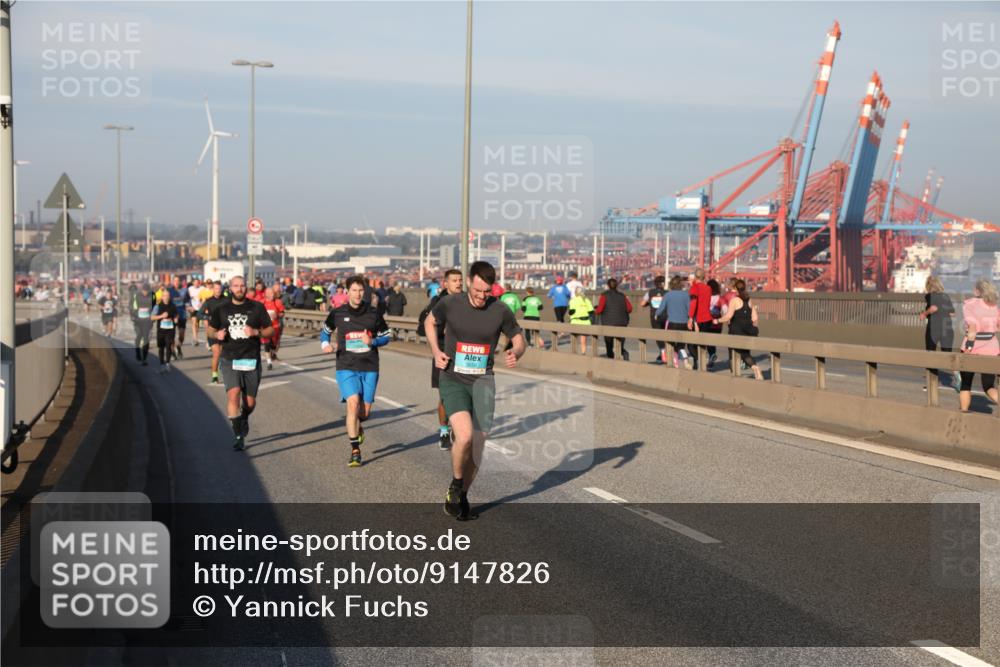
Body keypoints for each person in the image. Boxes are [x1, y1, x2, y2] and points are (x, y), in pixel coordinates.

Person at [426, 261, 525, 521]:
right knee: (465, 436)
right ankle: (457, 484)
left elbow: (518, 338)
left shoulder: (500, 310)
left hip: (483, 382)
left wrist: (515, 351)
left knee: (479, 444)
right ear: (469, 281)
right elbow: (430, 321)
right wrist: (436, 351)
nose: (482, 297)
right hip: (454, 379)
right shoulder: (451, 303)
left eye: (487, 292)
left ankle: (462, 494)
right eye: (478, 290)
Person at [320, 275, 391, 467]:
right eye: (354, 290)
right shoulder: (338, 313)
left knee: (364, 413)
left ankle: (358, 430)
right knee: (353, 403)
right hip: (346, 365)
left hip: (369, 365)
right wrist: (325, 344)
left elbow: (387, 335)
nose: (358, 294)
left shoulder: (373, 313)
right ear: (347, 291)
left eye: (361, 290)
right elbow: (325, 331)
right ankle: (355, 451)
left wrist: (373, 341)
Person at [208, 276, 274, 451]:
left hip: (251, 358)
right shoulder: (221, 309)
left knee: (250, 403)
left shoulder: (257, 307)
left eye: (242, 285)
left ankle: (243, 417)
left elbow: (270, 330)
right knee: (233, 394)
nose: (239, 288)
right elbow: (210, 329)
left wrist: (256, 332)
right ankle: (238, 436)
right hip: (229, 358)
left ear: (246, 288)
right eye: (236, 286)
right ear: (230, 288)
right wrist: (217, 336)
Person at [420, 269, 464, 450]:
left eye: (460, 280)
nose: (459, 283)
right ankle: (444, 430)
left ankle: (460, 426)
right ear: (445, 283)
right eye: (454, 280)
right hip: (443, 354)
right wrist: (441, 330)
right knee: (445, 396)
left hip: (464, 355)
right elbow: (422, 328)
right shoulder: (437, 303)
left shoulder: (468, 302)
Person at [958, 279, 1000, 413]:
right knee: (988, 385)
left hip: (973, 348)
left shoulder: (969, 305)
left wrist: (969, 348)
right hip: (992, 349)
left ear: (977, 291)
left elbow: (972, 328)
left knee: (966, 384)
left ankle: (964, 414)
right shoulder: (993, 305)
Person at [713, 279, 762, 381]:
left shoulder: (734, 300)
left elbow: (728, 316)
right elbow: (755, 317)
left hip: (736, 331)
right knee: (745, 353)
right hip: (747, 331)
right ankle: (754, 368)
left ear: (735, 288)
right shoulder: (749, 300)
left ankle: (735, 375)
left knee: (732, 353)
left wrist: (717, 321)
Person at [920, 275, 960, 390]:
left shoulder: (929, 296)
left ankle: (931, 384)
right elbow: (953, 314)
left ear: (928, 286)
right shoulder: (946, 296)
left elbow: (933, 308)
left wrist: (924, 314)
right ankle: (956, 373)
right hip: (947, 329)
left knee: (930, 354)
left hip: (934, 328)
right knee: (947, 355)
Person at [656, 275, 692, 368]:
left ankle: (675, 363)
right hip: (684, 323)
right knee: (681, 345)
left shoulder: (668, 295)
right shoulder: (686, 295)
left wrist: (656, 314)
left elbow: (661, 309)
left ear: (671, 284)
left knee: (670, 344)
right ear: (681, 285)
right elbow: (689, 310)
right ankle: (686, 361)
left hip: (672, 323)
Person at [595, 278, 632, 360]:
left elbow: (599, 310)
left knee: (609, 343)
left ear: (608, 286)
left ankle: (611, 357)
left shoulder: (604, 296)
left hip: (608, 323)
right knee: (620, 342)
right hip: (622, 322)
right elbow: (629, 309)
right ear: (617, 285)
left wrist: (596, 311)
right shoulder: (623, 296)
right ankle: (624, 353)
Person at [687, 268, 715, 369]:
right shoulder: (708, 288)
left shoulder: (694, 288)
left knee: (691, 343)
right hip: (707, 318)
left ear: (695, 276)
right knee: (703, 342)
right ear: (704, 277)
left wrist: (690, 318)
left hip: (697, 319)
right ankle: (700, 363)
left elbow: (694, 303)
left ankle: (697, 361)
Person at [199, 283, 227, 384]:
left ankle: (220, 365)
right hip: (213, 329)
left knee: (223, 353)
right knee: (216, 353)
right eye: (216, 289)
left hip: (224, 329)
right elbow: (199, 314)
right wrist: (209, 317)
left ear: (222, 289)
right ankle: (215, 376)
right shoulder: (209, 301)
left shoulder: (227, 300)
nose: (218, 290)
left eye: (220, 288)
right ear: (213, 290)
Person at [641, 276, 668, 363]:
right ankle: (664, 353)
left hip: (654, 317)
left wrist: (650, 303)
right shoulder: (667, 293)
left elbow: (642, 304)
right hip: (665, 316)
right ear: (663, 283)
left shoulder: (650, 292)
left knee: (657, 335)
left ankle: (662, 351)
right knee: (665, 335)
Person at [151, 290, 179, 374]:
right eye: (165, 296)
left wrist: (176, 318)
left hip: (170, 329)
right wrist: (161, 316)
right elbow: (152, 317)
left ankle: (167, 363)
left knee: (168, 345)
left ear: (169, 297)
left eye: (168, 296)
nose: (166, 297)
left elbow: (176, 314)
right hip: (161, 330)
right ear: (162, 297)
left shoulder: (173, 306)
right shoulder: (158, 306)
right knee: (161, 347)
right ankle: (162, 364)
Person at [130, 284, 155, 365]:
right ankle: (137, 352)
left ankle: (144, 358)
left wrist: (153, 317)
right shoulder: (136, 296)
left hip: (147, 320)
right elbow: (132, 307)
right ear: (141, 290)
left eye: (147, 291)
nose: (145, 293)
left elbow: (154, 307)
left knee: (146, 339)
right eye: (144, 291)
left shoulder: (152, 295)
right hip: (138, 320)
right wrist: (134, 315)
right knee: (139, 335)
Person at [261, 287, 286, 370]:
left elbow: (282, 313)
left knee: (274, 345)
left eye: (273, 293)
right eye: (271, 293)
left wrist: (277, 315)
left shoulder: (277, 302)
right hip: (265, 327)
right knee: (266, 344)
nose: (273, 295)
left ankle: (273, 353)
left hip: (275, 327)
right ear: (266, 294)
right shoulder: (262, 302)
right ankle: (269, 362)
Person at [167, 276, 191, 359]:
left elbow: (188, 301)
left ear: (180, 282)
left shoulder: (184, 290)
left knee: (182, 335)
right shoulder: (170, 291)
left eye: (178, 281)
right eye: (175, 281)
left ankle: (179, 346)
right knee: (172, 335)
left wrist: (189, 307)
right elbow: (167, 302)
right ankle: (173, 352)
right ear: (173, 282)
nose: (176, 282)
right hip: (172, 316)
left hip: (182, 315)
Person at [568, 286, 594, 355]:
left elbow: (571, 311)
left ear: (576, 292)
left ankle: (574, 352)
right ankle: (583, 353)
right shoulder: (586, 300)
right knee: (583, 340)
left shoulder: (572, 300)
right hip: (585, 321)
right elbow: (591, 311)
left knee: (574, 338)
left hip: (575, 321)